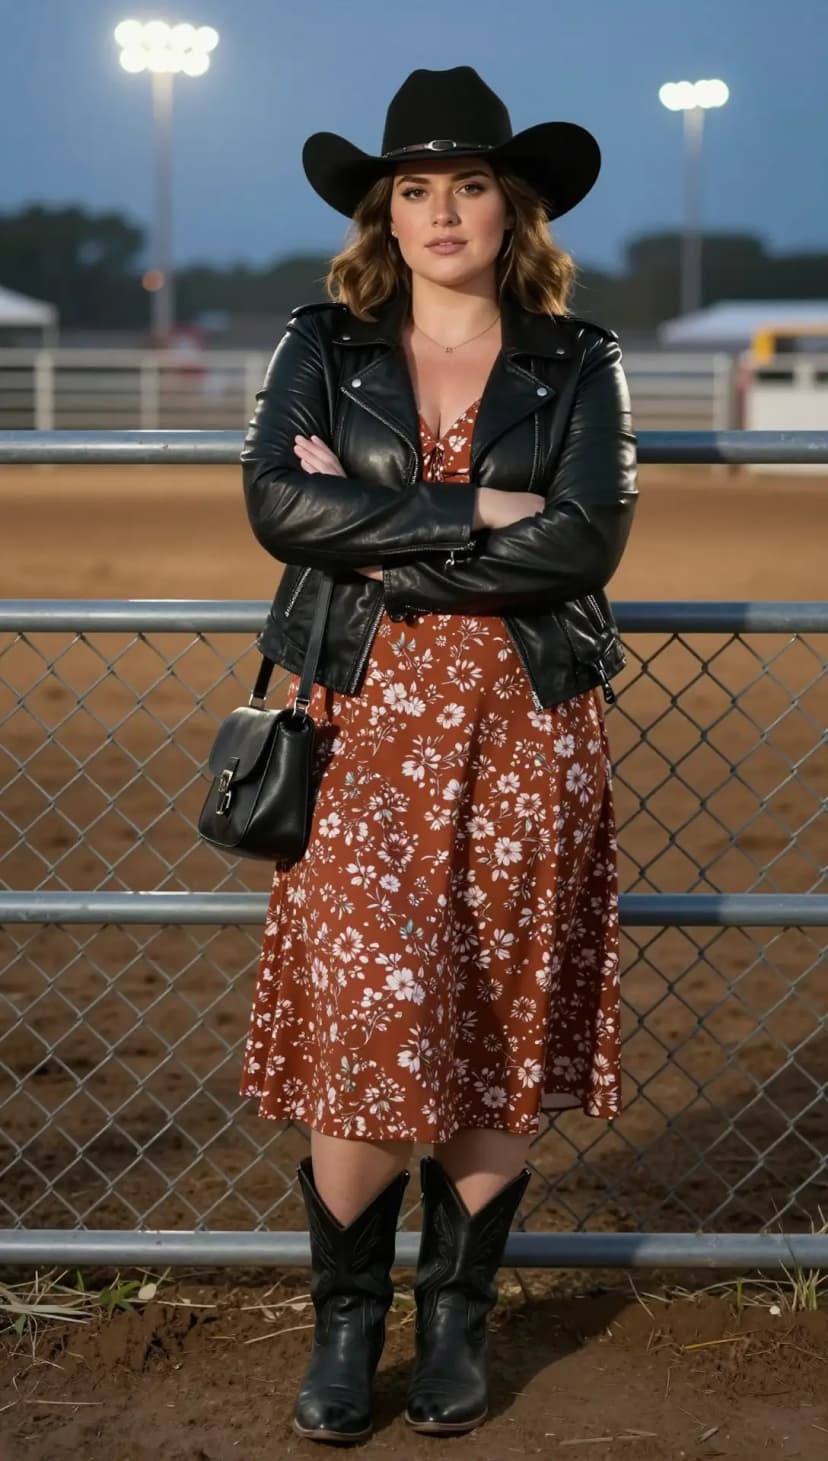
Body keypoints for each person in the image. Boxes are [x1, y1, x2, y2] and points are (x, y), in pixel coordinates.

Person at [239, 64, 638, 1444]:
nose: (443, 210)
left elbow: (584, 539)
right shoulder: (326, 342)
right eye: (415, 188)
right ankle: (347, 1324)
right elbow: (279, 504)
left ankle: (456, 1317)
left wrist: (387, 524)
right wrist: (482, 507)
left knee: (494, 1016)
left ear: (511, 207)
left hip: (529, 727)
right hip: (360, 728)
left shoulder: (577, 358)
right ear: (383, 214)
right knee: (367, 1016)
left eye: (470, 183)